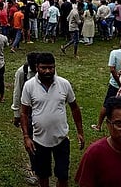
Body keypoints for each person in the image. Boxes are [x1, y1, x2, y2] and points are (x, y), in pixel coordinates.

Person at [21, 52, 84, 187]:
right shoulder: (29, 86)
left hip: (61, 139)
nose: (48, 71)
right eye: (44, 68)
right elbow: (24, 113)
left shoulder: (64, 84)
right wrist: (26, 136)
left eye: (51, 67)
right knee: (43, 176)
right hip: (39, 140)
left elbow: (74, 108)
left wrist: (80, 132)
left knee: (63, 176)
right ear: (37, 67)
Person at [91, 34, 121, 132]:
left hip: (115, 83)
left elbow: (112, 69)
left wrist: (118, 81)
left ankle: (99, 125)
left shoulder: (114, 53)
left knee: (107, 104)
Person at [11, 52, 39, 185]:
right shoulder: (21, 72)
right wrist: (17, 114)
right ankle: (35, 171)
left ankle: (42, 168)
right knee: (31, 142)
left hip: (43, 111)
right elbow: (17, 93)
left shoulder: (46, 70)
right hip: (28, 112)